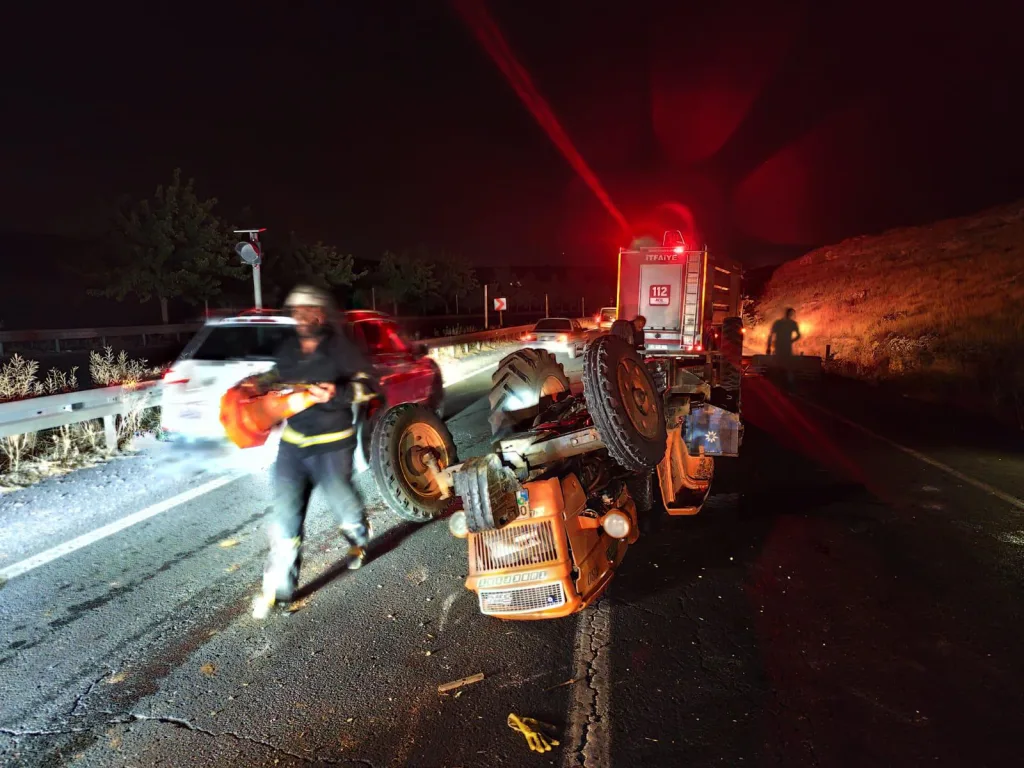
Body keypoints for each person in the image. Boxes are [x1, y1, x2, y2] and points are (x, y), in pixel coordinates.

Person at [249, 285, 380, 619]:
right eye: (297, 311)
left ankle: (357, 536)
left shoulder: (340, 349)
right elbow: (279, 375)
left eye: (310, 311)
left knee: (343, 504)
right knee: (285, 515)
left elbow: (369, 385)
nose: (303, 317)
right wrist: (258, 383)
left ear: (321, 315)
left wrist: (338, 392)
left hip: (333, 443)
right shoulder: (290, 349)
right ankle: (282, 589)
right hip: (293, 445)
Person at [766, 307, 801, 389]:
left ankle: (777, 384)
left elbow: (770, 335)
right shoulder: (792, 323)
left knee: (778, 365)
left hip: (779, 347)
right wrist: (791, 341)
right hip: (786, 348)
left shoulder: (778, 323)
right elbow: (799, 335)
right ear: (791, 314)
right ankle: (787, 385)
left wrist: (768, 347)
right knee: (787, 365)